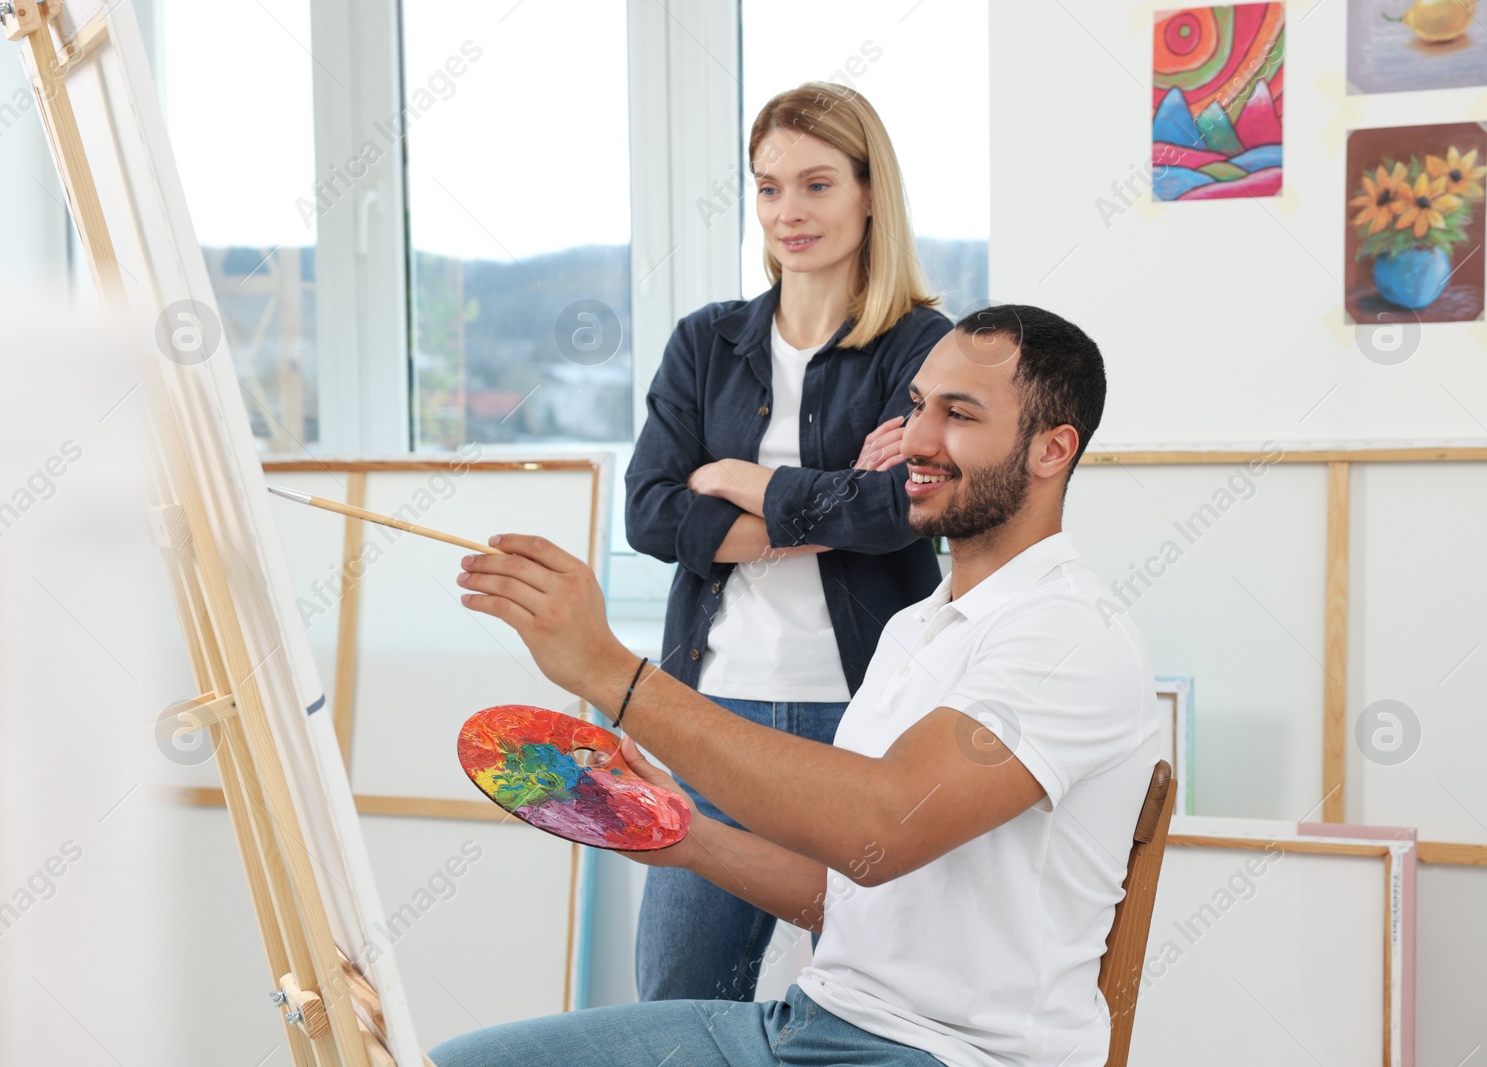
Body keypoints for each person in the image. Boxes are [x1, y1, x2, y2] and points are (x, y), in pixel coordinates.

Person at [437, 304, 1162, 1067]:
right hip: (809, 1025)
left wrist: (612, 673)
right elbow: (851, 896)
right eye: (917, 404)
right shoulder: (915, 628)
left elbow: (877, 831)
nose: (915, 438)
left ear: (1052, 450)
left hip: (951, 1055)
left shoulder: (1069, 633)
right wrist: (688, 834)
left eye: (960, 415)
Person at [622, 81, 952, 1002]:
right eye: (768, 188)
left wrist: (732, 478)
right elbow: (648, 511)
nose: (788, 213)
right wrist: (831, 504)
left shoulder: (924, 345)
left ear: (868, 191)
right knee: (678, 1006)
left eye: (815, 185)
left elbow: (901, 507)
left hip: (861, 718)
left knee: (873, 1001)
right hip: (713, 709)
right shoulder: (704, 342)